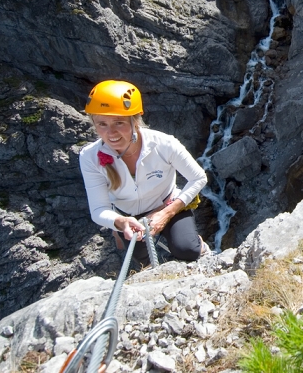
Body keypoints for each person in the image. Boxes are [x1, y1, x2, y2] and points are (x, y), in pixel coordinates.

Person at [79, 80, 209, 264]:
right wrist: (119, 222)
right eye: (102, 124)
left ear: (135, 121)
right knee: (144, 260)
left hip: (167, 204)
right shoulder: (90, 156)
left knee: (187, 250)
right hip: (128, 217)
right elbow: (99, 209)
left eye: (119, 122)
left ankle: (202, 248)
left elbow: (198, 177)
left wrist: (167, 213)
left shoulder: (163, 144)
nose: (111, 133)